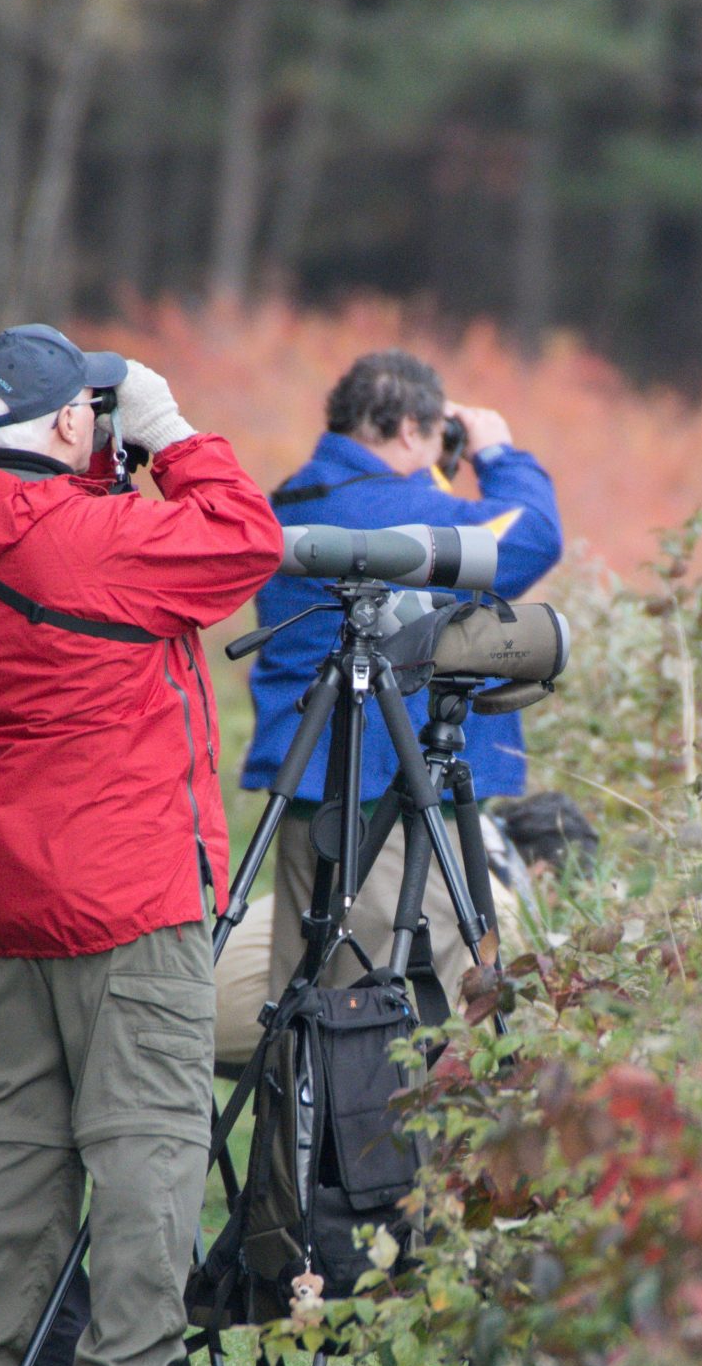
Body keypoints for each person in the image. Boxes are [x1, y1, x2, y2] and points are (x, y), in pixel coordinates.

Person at [0, 324, 282, 1366]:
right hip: (127, 889)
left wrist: (99, 464)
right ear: (71, 421)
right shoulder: (99, 544)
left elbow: (45, 523)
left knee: (6, 1147)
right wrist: (165, 429)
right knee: (149, 1139)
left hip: (10, 891)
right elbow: (246, 539)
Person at [241, 350, 564, 1006]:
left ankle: (296, 1112)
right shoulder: (406, 518)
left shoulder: (288, 502)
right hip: (392, 803)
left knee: (305, 1003)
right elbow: (532, 535)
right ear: (413, 430)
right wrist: (498, 453)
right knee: (404, 1014)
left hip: (307, 800)